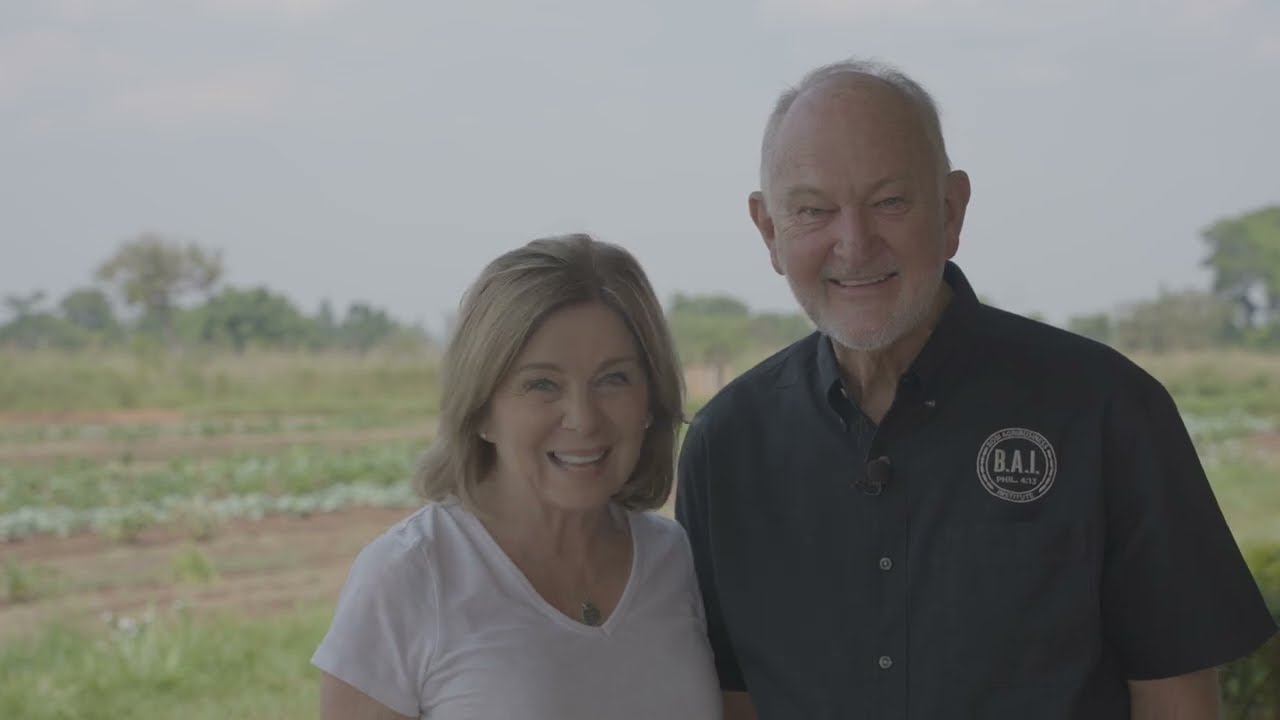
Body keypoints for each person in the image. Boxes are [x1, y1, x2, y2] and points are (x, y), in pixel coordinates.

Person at [675, 58, 1277, 719]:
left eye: (890, 202)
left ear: (952, 209)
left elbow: (1177, 696)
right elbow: (735, 699)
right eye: (814, 210)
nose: (854, 243)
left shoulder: (1108, 411)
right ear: (769, 231)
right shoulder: (725, 445)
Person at [313, 233, 722, 719]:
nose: (583, 418)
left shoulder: (674, 559)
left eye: (613, 378)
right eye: (541, 384)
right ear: (481, 410)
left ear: (650, 403)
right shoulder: (412, 574)